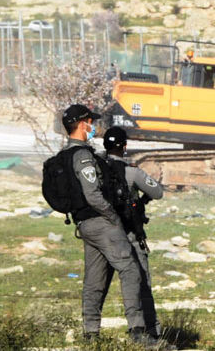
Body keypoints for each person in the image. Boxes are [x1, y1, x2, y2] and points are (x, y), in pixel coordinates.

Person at [60, 104, 156, 347]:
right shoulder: (84, 156)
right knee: (132, 271)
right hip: (104, 224)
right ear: (83, 123)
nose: (93, 126)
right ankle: (138, 331)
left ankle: (90, 334)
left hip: (84, 225)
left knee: (94, 281)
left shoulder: (72, 154)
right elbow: (93, 195)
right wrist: (113, 217)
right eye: (90, 121)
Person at [103, 126, 169, 344]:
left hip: (102, 234)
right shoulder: (131, 172)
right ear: (124, 146)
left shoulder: (98, 169)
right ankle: (148, 330)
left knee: (96, 284)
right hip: (129, 233)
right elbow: (157, 192)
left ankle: (90, 331)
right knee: (141, 279)